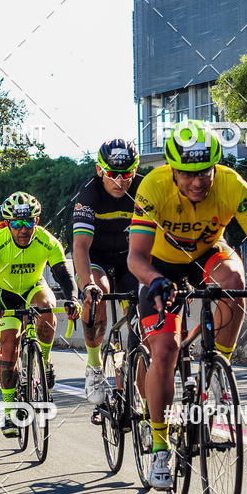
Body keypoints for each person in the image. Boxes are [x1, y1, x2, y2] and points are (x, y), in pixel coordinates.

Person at [128, 122, 247, 490]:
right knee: (164, 352)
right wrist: (155, 280)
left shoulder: (232, 185)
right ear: (172, 170)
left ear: (216, 166)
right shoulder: (153, 186)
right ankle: (160, 446)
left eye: (205, 173)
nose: (197, 183)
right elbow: (135, 257)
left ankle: (218, 369)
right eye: (187, 175)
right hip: (159, 267)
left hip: (206, 257)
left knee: (235, 279)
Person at [0, 192, 80, 437]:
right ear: (7, 223)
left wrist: (74, 299)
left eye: (30, 222)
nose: (24, 229)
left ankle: (43, 362)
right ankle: (9, 411)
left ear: (37, 221)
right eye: (17, 223)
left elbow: (64, 275)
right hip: (6, 294)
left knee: (47, 305)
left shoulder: (47, 240)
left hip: (34, 287)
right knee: (8, 347)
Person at [72, 138, 142, 404]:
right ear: (100, 170)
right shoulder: (89, 192)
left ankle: (139, 365)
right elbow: (80, 246)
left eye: (127, 174)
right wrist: (87, 283)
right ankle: (94, 367)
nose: (120, 181)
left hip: (131, 258)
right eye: (112, 174)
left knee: (144, 302)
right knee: (97, 294)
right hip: (96, 257)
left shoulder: (144, 188)